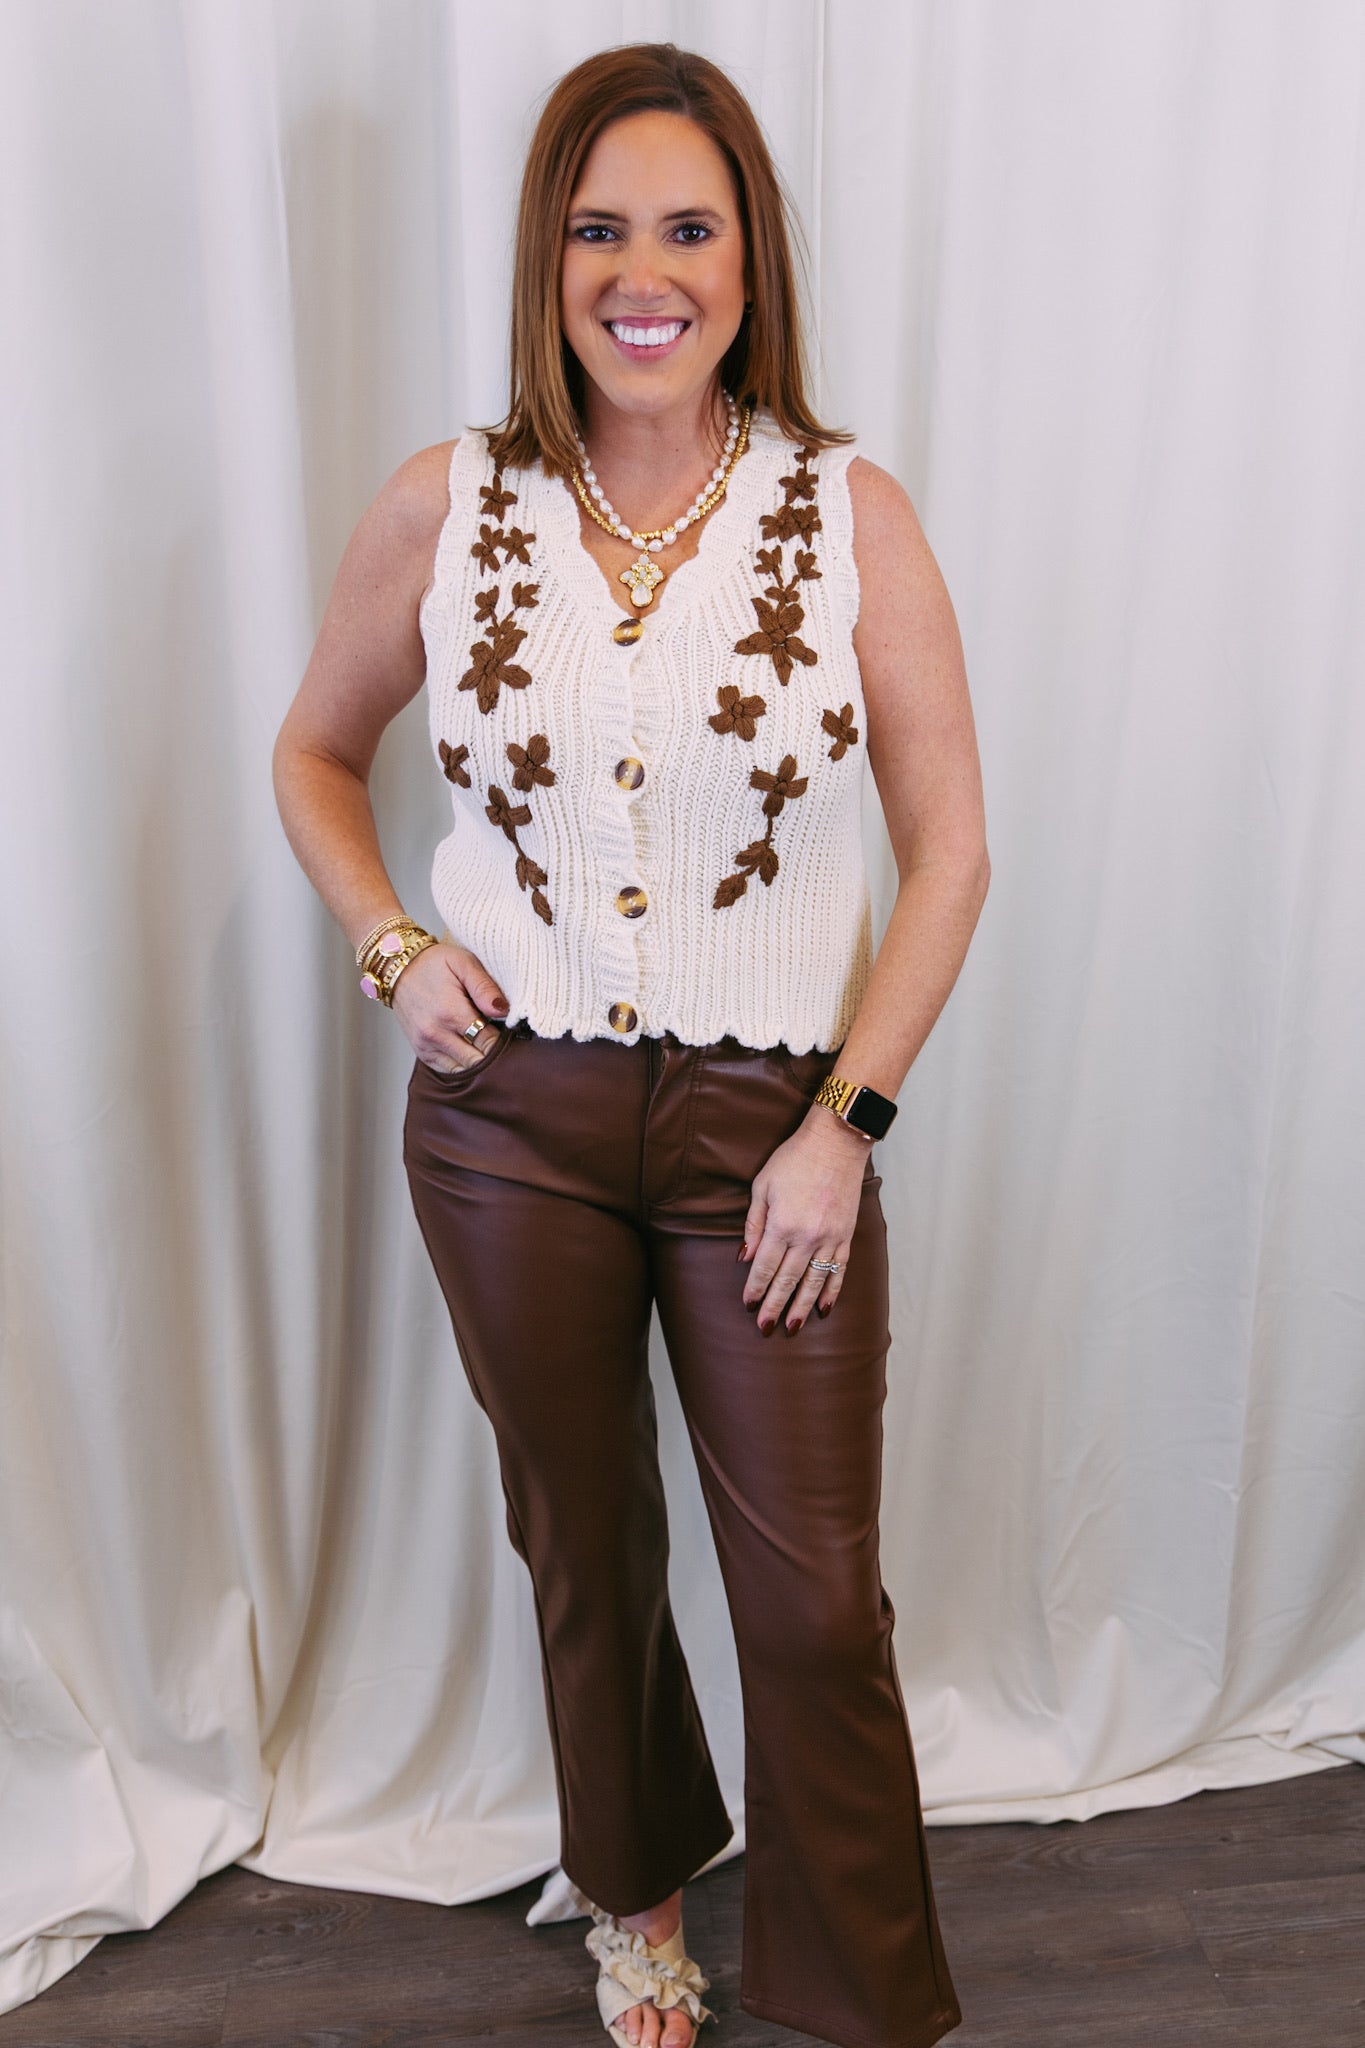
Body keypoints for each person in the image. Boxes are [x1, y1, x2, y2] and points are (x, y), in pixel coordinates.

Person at [273, 39, 987, 2048]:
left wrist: (843, 1119)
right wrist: (393, 941)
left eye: (687, 226)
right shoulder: (451, 501)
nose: (640, 271)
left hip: (774, 1123)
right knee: (582, 1544)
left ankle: (858, 2000)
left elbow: (949, 856)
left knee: (812, 1596)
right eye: (597, 229)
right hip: (509, 1120)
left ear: (749, 259)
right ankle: (636, 1895)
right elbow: (314, 750)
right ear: (546, 258)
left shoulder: (847, 513)